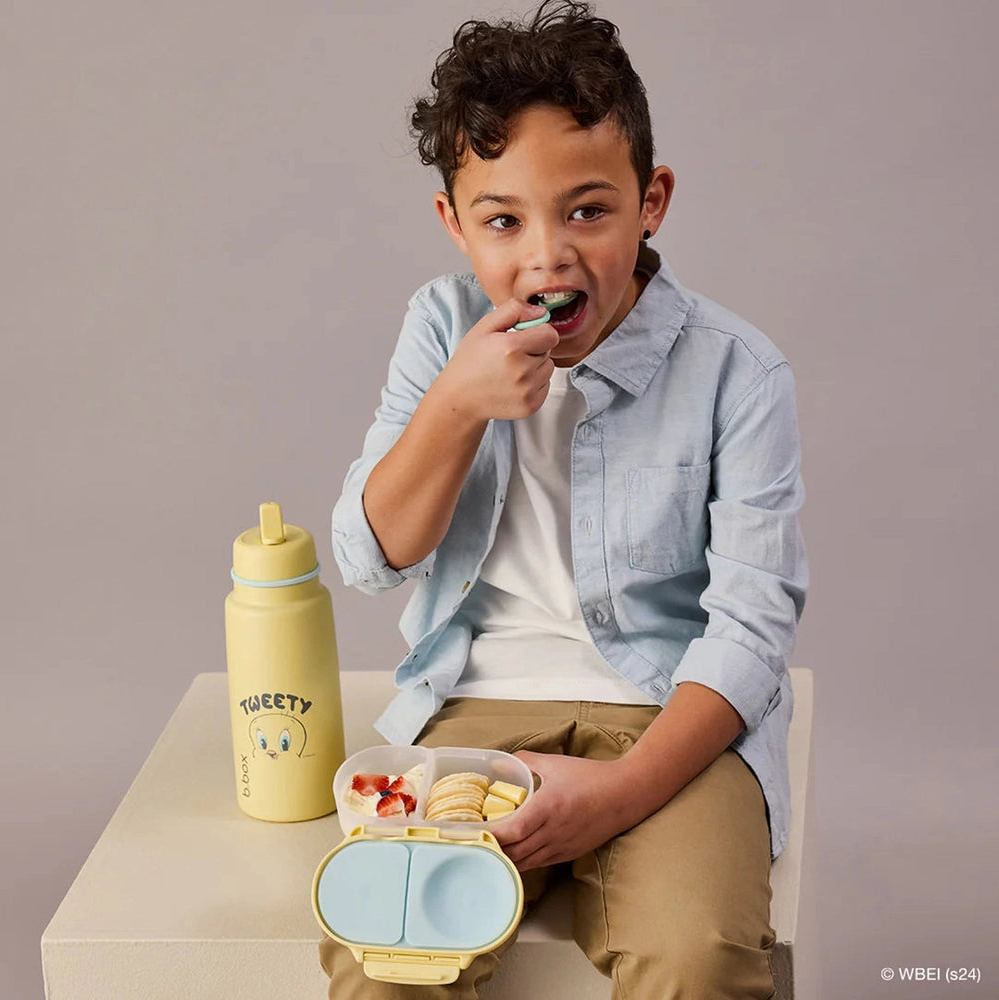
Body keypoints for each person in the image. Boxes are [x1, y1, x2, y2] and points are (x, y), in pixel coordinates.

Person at [324, 2, 807, 997]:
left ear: (651, 200)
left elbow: (752, 629)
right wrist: (456, 406)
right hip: (475, 707)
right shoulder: (439, 328)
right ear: (453, 223)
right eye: (503, 220)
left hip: (669, 716)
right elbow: (372, 557)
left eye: (586, 210)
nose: (545, 258)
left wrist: (623, 791)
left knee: (695, 953)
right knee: (389, 949)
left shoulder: (738, 372)